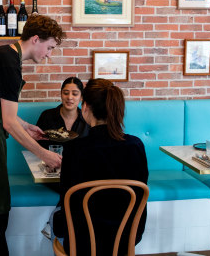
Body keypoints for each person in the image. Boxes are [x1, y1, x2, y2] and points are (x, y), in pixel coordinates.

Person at [0, 14, 66, 256]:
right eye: (49, 47)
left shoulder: (5, 55)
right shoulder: (9, 64)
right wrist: (45, 155)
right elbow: (8, 122)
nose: (49, 54)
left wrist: (27, 125)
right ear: (36, 39)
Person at [52, 78, 149, 256]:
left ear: (86, 107)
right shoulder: (136, 146)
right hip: (125, 241)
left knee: (55, 220)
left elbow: (67, 199)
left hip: (82, 244)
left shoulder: (75, 150)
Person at [36, 76, 90, 149]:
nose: (69, 97)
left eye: (75, 94)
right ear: (61, 94)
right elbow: (38, 143)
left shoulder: (87, 119)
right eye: (66, 93)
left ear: (81, 97)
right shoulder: (47, 116)